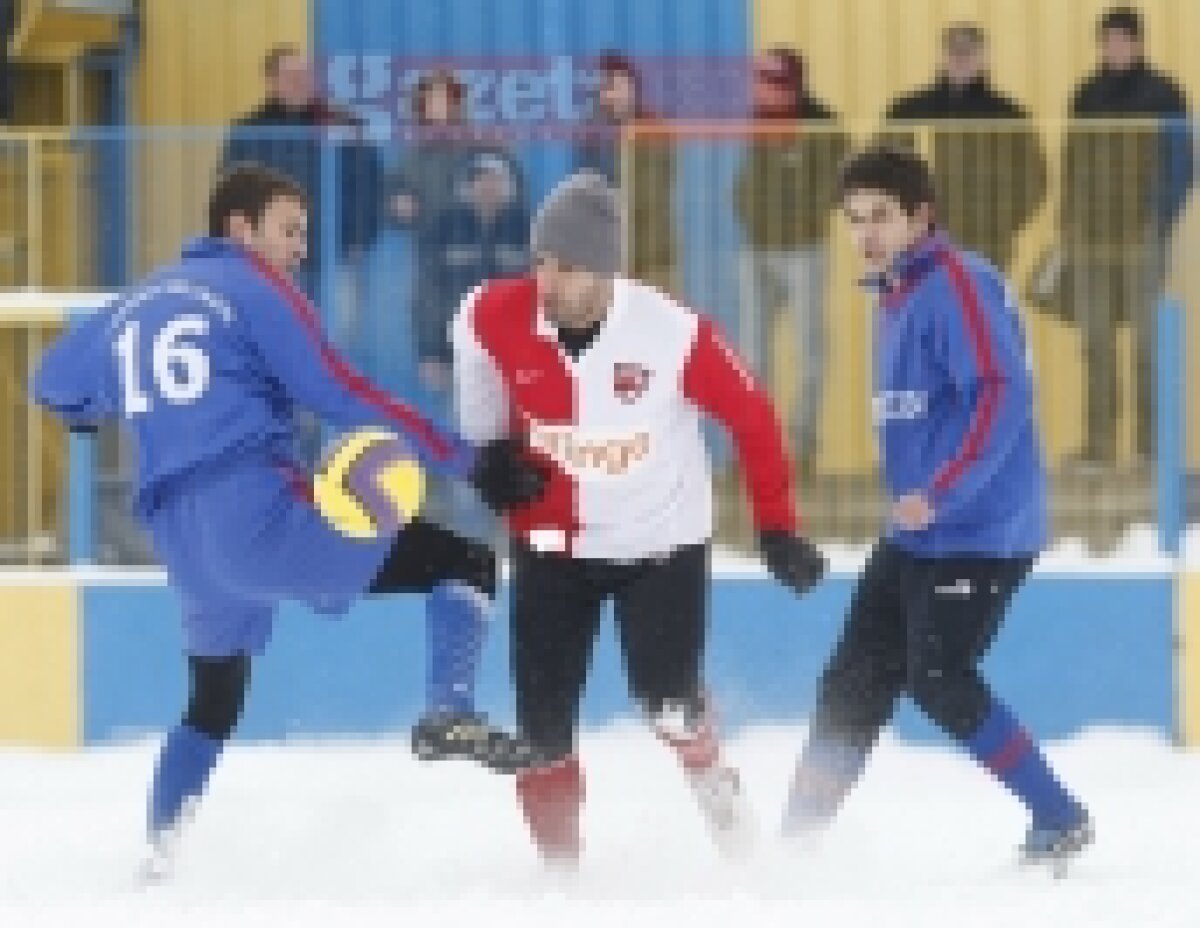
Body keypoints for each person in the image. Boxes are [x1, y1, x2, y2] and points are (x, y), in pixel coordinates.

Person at [31, 165, 547, 880]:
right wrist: (467, 462)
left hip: (181, 540)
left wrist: (89, 413)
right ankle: (447, 710)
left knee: (213, 699)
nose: (300, 248)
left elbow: (52, 382)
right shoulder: (254, 287)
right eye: (289, 230)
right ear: (240, 231)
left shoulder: (136, 300)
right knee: (464, 563)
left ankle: (157, 862)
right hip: (257, 511)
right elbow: (339, 389)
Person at [451, 171, 827, 867]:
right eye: (540, 261)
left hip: (660, 546)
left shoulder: (672, 332)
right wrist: (488, 447)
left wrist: (776, 526)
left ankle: (710, 774)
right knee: (541, 735)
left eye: (566, 267)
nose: (547, 281)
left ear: (606, 270)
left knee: (669, 707)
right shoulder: (496, 312)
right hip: (551, 545)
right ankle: (562, 875)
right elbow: (469, 341)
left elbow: (754, 417)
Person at [782, 147, 1091, 874]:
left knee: (939, 675)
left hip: (981, 528)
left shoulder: (957, 283)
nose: (866, 233)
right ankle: (795, 842)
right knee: (855, 677)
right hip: (919, 531)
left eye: (882, 217)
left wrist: (943, 491)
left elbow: (1001, 393)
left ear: (922, 215)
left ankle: (1059, 816)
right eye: (855, 220)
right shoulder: (893, 295)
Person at [1056, 7, 1194, 467]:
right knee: (1095, 340)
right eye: (1108, 39)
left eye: (1122, 39)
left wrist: (1161, 217)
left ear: (1138, 43)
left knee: (1147, 341)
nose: (1114, 46)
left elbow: (1181, 162)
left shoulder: (1165, 92)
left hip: (1143, 235)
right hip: (1092, 236)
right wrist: (1069, 219)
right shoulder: (1085, 94)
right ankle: (1098, 445)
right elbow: (1072, 159)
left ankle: (1150, 447)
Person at [733, 48, 848, 476]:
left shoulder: (821, 122)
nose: (764, 88)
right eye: (760, 80)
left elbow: (842, 181)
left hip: (804, 250)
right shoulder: (754, 122)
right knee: (752, 356)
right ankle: (756, 451)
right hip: (756, 250)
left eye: (773, 81)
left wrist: (805, 214)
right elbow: (744, 182)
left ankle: (802, 447)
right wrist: (749, 212)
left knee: (811, 350)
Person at [389, 70, 522, 401]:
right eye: (431, 100)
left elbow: (513, 185)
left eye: (446, 99)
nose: (439, 107)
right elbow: (393, 198)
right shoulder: (414, 155)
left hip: (479, 253)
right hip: (437, 254)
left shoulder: (481, 148)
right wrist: (398, 206)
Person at [222, 45, 383, 312]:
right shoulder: (250, 131)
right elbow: (232, 190)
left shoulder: (344, 125)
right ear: (271, 81)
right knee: (277, 327)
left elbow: (368, 184)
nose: (300, 81)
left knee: (336, 332)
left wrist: (360, 238)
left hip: (334, 253)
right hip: (271, 256)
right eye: (290, 75)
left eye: (306, 74)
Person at [884, 23, 1046, 274]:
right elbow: (881, 171)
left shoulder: (1008, 114)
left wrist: (1003, 223)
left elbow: (1034, 178)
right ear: (943, 55)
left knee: (979, 311)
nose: (961, 58)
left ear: (983, 57)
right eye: (954, 51)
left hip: (988, 244)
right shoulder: (909, 110)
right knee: (929, 311)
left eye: (968, 51)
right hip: (922, 242)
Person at [574, 52, 677, 293]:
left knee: (658, 321)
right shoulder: (592, 133)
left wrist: (618, 200)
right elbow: (587, 184)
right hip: (606, 253)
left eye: (618, 86)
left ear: (633, 87)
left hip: (653, 252)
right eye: (606, 87)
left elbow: (655, 185)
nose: (612, 94)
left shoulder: (654, 128)